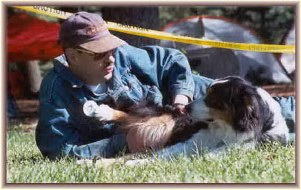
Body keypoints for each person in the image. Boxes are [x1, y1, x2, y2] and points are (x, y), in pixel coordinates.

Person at [35, 11, 295, 160]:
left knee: (285, 109)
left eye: (111, 49)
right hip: (172, 128)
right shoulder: (56, 93)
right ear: (73, 54)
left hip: (199, 96)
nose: (111, 57)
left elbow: (172, 59)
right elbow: (59, 150)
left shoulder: (125, 56)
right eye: (98, 53)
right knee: (263, 137)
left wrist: (182, 96)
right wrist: (121, 142)